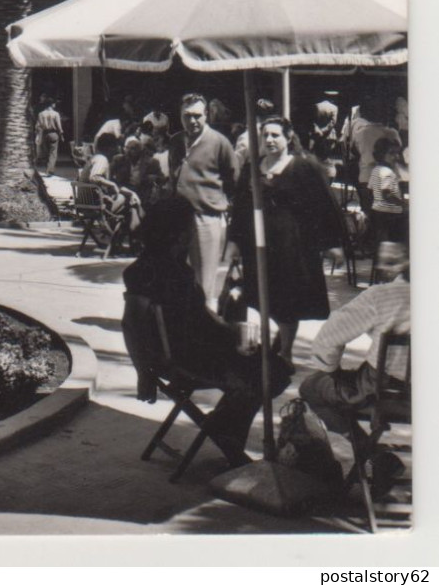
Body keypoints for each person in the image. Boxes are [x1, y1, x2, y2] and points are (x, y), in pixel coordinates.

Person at [122, 196, 291, 465]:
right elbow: (132, 325)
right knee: (271, 371)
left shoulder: (176, 267)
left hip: (196, 351)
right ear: (176, 234)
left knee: (271, 365)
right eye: (189, 229)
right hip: (182, 360)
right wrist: (144, 373)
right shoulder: (146, 271)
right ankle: (226, 435)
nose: (192, 236)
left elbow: (200, 316)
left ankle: (225, 429)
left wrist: (230, 329)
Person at [225, 115, 343, 356]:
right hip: (256, 244)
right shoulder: (251, 167)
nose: (269, 139)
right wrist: (234, 241)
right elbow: (240, 207)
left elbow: (325, 205)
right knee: (260, 297)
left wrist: (332, 243)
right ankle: (267, 347)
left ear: (288, 137)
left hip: (291, 245)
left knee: (287, 301)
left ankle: (285, 351)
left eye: (275, 135)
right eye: (265, 135)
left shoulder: (304, 166)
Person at [299, 244, 409, 489]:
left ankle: (367, 450)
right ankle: (373, 454)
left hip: (386, 391)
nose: (381, 268)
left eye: (392, 262)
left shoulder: (382, 296)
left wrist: (331, 370)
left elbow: (330, 336)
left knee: (312, 387)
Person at [173, 93, 236, 311]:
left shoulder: (219, 142)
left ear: (206, 115)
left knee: (204, 279)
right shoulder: (176, 141)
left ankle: (205, 323)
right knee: (177, 274)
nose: (192, 121)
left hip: (206, 218)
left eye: (197, 116)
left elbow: (233, 179)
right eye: (187, 116)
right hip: (178, 219)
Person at [366, 137, 407, 247]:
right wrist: (403, 204)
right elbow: (387, 194)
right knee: (393, 243)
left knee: (381, 243)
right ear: (381, 154)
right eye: (392, 153)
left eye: (397, 153)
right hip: (390, 213)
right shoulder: (387, 172)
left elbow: (370, 189)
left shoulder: (375, 170)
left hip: (377, 211)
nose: (396, 157)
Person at [34, 97, 64, 174]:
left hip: (44, 134)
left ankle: (47, 168)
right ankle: (50, 169)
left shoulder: (41, 114)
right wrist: (61, 135)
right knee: (53, 153)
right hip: (54, 134)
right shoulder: (56, 114)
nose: (55, 105)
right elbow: (59, 126)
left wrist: (38, 135)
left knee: (46, 152)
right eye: (54, 103)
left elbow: (38, 126)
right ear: (51, 104)